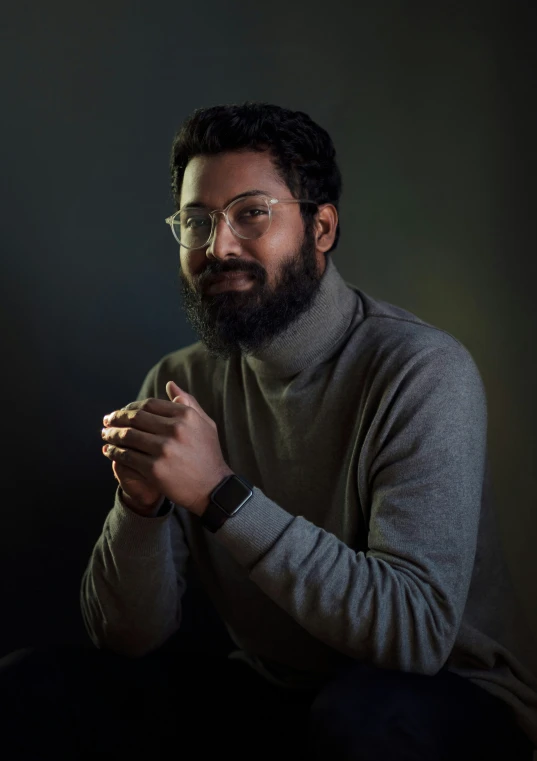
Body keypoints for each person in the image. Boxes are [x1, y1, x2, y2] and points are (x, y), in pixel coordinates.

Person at [1, 102, 536, 760]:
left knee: (362, 719)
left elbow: (415, 636)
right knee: (31, 686)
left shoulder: (423, 372)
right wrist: (140, 504)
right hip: (277, 689)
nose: (217, 245)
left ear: (322, 227)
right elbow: (124, 638)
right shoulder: (177, 382)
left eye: (251, 213)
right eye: (195, 222)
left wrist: (221, 493)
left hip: (444, 700)